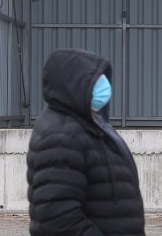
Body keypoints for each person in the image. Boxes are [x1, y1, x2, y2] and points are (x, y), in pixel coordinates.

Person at [26, 49, 145, 235]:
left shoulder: (91, 125)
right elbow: (58, 219)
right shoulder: (61, 135)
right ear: (74, 85)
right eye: (95, 81)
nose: (104, 87)